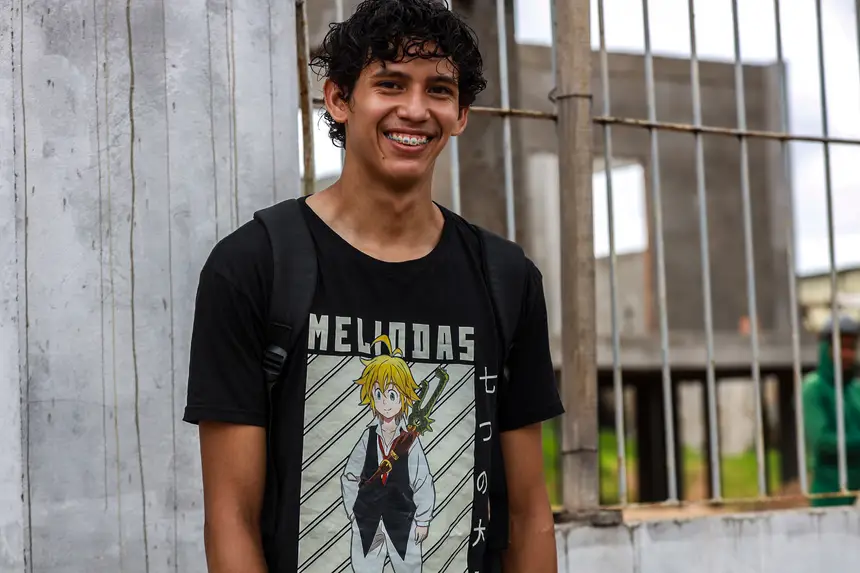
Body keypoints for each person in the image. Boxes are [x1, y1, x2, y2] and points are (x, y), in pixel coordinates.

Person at [183, 1, 563, 572]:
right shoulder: (252, 266)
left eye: (438, 90)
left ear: (460, 113)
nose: (415, 110)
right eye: (390, 83)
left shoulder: (506, 279)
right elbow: (230, 517)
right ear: (339, 98)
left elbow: (531, 513)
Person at [802, 314, 860, 507]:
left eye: (852, 348)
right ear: (825, 348)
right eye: (841, 347)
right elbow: (822, 441)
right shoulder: (814, 387)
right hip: (828, 498)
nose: (848, 354)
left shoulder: (855, 389)